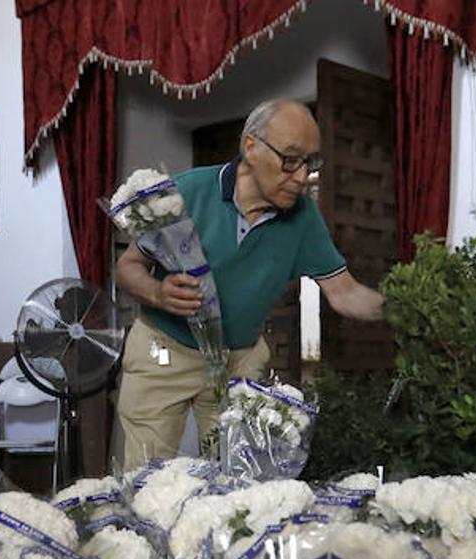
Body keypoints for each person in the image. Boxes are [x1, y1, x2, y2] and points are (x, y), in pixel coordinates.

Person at [112, 98, 386, 470]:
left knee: (238, 479)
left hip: (236, 361)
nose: (303, 176)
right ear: (251, 148)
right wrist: (158, 293)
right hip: (165, 351)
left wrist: (407, 309)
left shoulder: (304, 218)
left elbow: (345, 292)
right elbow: (128, 267)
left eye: (310, 162)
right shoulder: (188, 191)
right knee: (146, 477)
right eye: (291, 159)